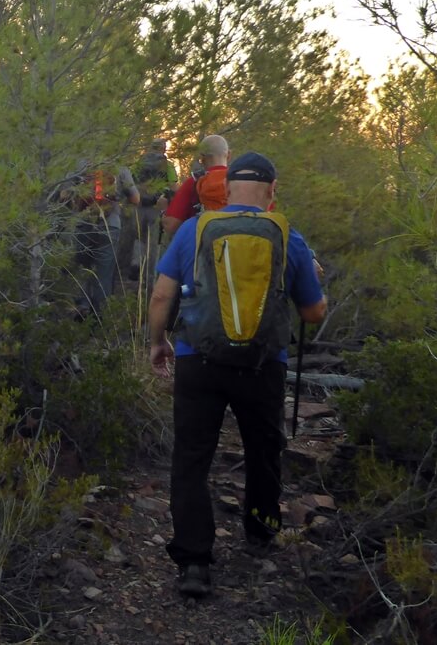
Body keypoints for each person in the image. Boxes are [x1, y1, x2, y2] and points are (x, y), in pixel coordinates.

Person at [146, 152, 327, 598]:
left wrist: (158, 342)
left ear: (226, 191)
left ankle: (193, 561)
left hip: (198, 360)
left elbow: (161, 296)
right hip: (263, 365)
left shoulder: (194, 229)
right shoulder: (288, 236)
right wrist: (313, 281)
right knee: (263, 449)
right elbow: (312, 312)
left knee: (192, 457)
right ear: (272, 191)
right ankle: (261, 531)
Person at [68, 160, 140, 318]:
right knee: (104, 272)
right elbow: (136, 199)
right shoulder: (120, 166)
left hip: (83, 224)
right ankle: (100, 314)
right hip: (110, 225)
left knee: (82, 268)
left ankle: (82, 307)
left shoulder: (79, 163)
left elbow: (65, 195)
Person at [161, 134, 231, 240]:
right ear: (229, 155)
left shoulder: (194, 182)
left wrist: (163, 209)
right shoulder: (240, 181)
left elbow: (171, 225)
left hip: (203, 245)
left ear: (202, 158)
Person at [130, 138, 178, 279]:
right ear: (163, 149)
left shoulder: (139, 163)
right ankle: (151, 274)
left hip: (139, 206)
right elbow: (174, 187)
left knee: (139, 237)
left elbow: (130, 182)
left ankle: (136, 262)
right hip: (157, 206)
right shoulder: (167, 165)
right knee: (154, 241)